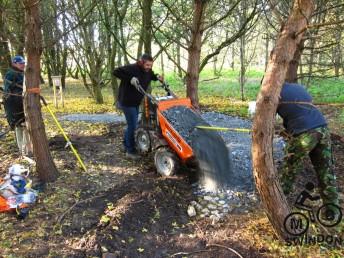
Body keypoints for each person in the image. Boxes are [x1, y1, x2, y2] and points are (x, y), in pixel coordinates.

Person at [277, 82, 339, 215]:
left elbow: (266, 117)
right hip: (322, 128)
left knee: (289, 169)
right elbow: (299, 111)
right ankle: (332, 211)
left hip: (305, 133)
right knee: (326, 172)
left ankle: (278, 204)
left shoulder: (272, 93)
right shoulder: (296, 87)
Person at [113, 54, 163, 159]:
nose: (149, 67)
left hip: (135, 102)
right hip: (127, 102)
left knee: (132, 124)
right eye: (147, 65)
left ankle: (125, 144)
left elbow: (151, 75)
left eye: (151, 65)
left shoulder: (147, 71)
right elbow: (116, 72)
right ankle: (130, 151)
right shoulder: (132, 68)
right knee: (133, 125)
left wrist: (157, 77)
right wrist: (130, 78)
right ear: (141, 62)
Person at [3, 55, 33, 156]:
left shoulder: (21, 73)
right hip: (15, 106)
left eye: (23, 63)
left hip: (21, 103)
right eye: (20, 63)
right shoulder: (10, 74)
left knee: (23, 127)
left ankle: (26, 150)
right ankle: (24, 151)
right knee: (21, 126)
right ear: (14, 63)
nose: (23, 65)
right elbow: (8, 93)